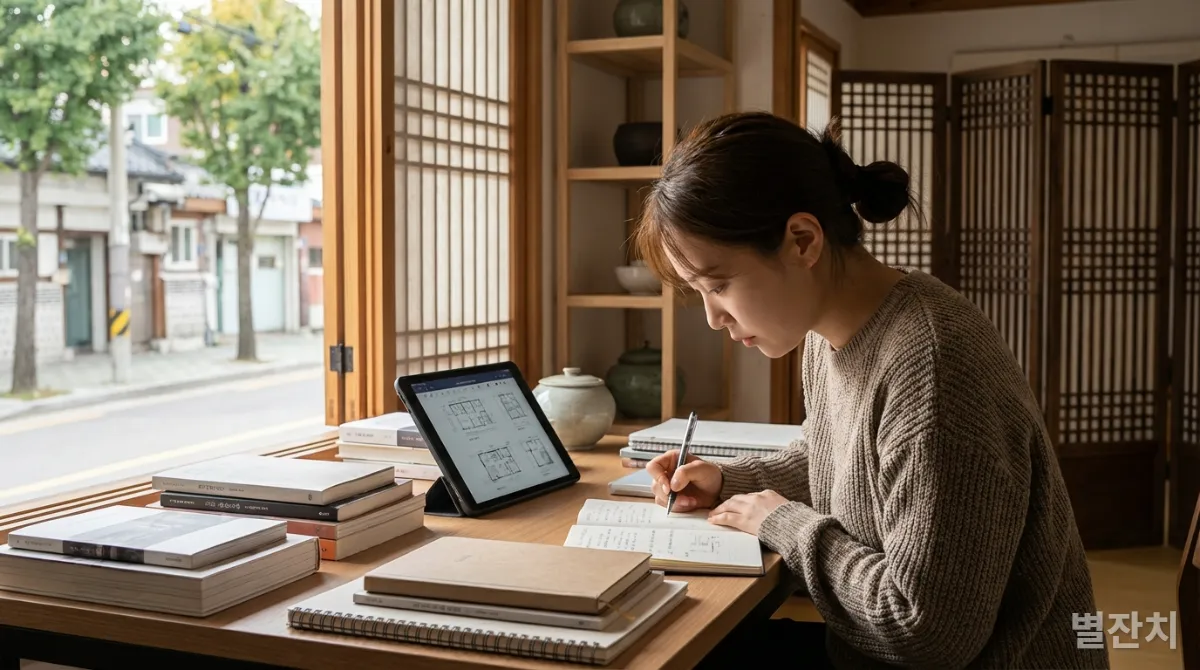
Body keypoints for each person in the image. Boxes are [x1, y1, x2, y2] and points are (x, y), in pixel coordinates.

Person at [638, 111, 1108, 669]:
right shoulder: (828, 329)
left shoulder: (934, 365)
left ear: (802, 240)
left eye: (717, 285)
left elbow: (925, 631)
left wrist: (782, 523)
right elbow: (832, 459)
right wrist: (728, 480)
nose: (713, 318)